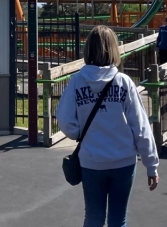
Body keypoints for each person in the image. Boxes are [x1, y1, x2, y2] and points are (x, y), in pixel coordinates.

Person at [56, 25, 159, 227]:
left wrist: (80, 134)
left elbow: (65, 119)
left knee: (93, 217)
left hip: (91, 160)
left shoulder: (77, 82)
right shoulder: (123, 82)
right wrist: (151, 165)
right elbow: (140, 127)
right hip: (123, 160)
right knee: (118, 219)